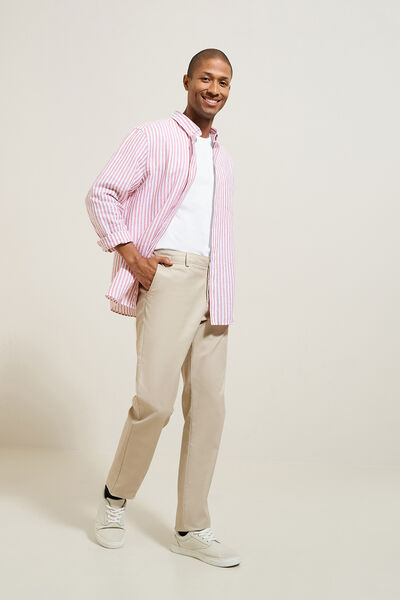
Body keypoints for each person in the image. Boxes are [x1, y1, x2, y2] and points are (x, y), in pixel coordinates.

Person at [85, 48, 240, 568]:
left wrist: (222, 287)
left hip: (215, 283)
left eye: (223, 82)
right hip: (168, 275)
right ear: (187, 81)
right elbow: (103, 193)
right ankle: (114, 500)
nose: (214, 89)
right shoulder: (152, 136)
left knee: (209, 408)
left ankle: (192, 528)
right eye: (206, 79)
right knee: (154, 401)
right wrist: (133, 258)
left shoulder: (223, 157)